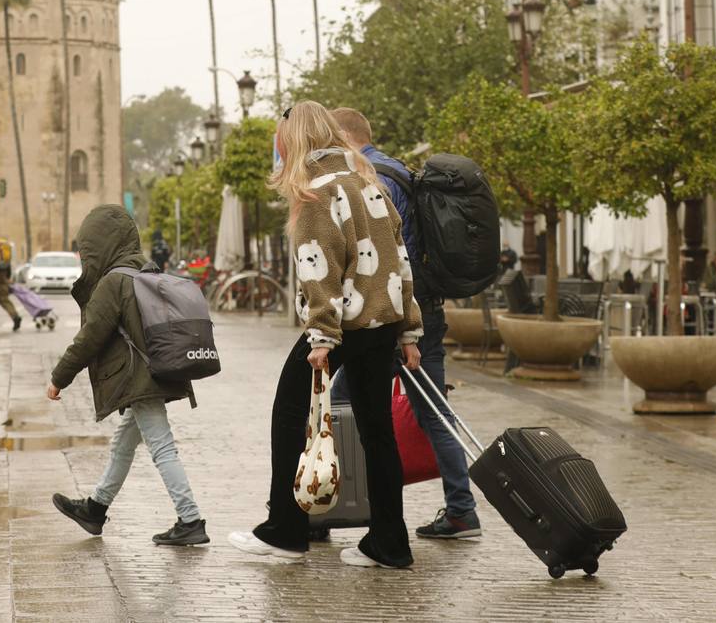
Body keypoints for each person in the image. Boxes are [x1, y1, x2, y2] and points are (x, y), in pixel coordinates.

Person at [228, 101, 422, 569]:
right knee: (378, 431)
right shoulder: (367, 183)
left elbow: (321, 270)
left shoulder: (316, 193)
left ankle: (285, 529)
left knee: (290, 410)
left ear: (294, 140)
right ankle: (390, 542)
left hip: (340, 325)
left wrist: (321, 338)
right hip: (382, 323)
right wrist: (410, 329)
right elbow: (399, 259)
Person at [332, 106, 482, 541]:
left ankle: (330, 504)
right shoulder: (402, 171)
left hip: (392, 313)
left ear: (345, 136)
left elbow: (378, 258)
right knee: (434, 412)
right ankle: (462, 509)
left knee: (341, 404)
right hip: (425, 309)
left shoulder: (369, 179)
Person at [48, 204, 208, 547]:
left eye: (86, 248)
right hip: (154, 373)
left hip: (139, 380)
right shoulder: (145, 272)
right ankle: (95, 508)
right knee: (123, 443)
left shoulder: (112, 282)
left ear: (100, 246)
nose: (83, 256)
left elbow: (90, 338)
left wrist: (59, 377)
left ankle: (190, 519)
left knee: (162, 447)